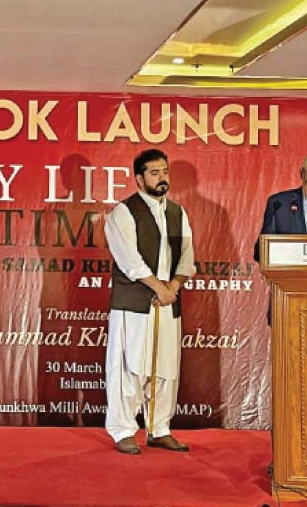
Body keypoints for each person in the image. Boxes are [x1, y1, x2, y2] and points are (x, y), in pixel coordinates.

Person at [103, 149, 195, 454]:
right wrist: (159, 288)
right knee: (130, 367)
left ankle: (159, 429)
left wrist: (173, 287)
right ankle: (123, 429)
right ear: (139, 178)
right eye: (154, 173)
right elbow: (130, 260)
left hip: (167, 303)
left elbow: (187, 257)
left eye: (165, 172)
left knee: (165, 368)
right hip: (135, 304)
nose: (162, 178)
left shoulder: (177, 213)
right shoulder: (123, 212)